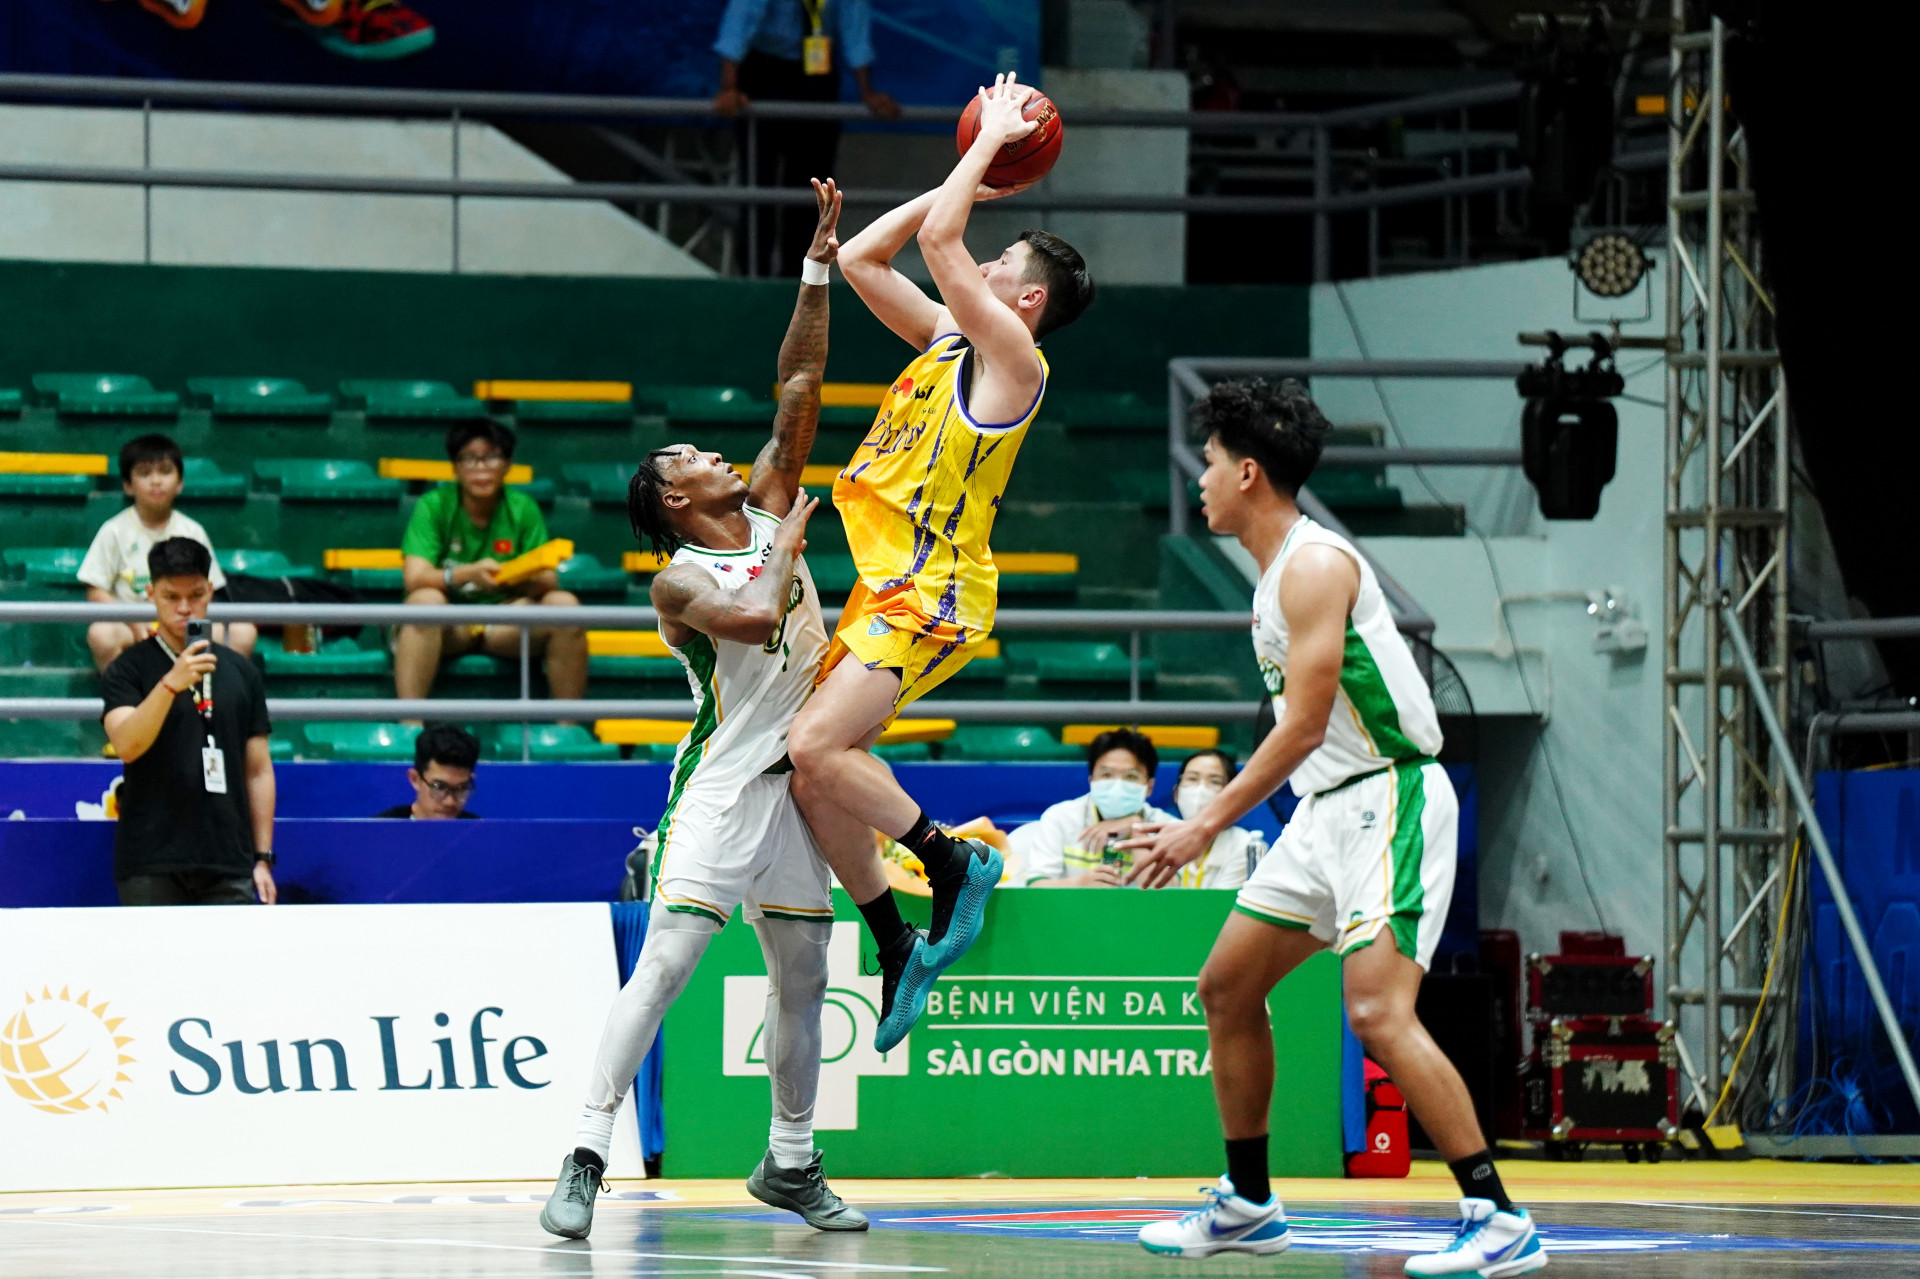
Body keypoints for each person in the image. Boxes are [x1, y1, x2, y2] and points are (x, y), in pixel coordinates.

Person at [1123, 380, 1543, 1275]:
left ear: (1248, 471)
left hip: (1388, 798)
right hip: (1325, 811)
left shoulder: (1315, 566)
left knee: (1378, 1012)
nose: (1198, 481)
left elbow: (1305, 724)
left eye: (1207, 465)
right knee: (1228, 986)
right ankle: (1247, 1201)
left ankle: (1496, 1213)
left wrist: (1205, 826)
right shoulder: (1274, 574)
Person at [540, 180, 862, 1241]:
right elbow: (760, 608)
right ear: (678, 500)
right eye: (694, 460)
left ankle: (791, 1160)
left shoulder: (768, 499)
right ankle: (586, 1150)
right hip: (724, 785)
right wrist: (794, 547)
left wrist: (817, 262)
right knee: (670, 962)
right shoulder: (677, 580)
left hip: (801, 783)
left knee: (806, 978)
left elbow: (801, 379)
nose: (718, 454)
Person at [785, 73, 1095, 1055]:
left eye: (1000, 258)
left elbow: (933, 248)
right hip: (888, 586)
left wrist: (983, 153)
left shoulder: (1016, 363)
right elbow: (871, 254)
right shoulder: (948, 338)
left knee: (812, 751)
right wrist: (974, 181)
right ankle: (893, 937)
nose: (982, 262)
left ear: (1027, 296)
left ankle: (952, 863)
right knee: (812, 780)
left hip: (934, 589)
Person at [100, 538, 277, 907]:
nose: (184, 608)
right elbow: (127, 746)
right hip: (151, 860)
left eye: (195, 595)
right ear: (150, 594)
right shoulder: (127, 669)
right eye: (170, 597)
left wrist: (262, 858)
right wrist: (170, 684)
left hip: (228, 861)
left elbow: (258, 771)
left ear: (210, 590)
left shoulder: (241, 671)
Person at [394, 420, 586, 712]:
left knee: (565, 605)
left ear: (507, 465)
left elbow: (549, 579)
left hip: (505, 621)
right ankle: (409, 724)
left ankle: (566, 731)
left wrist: (507, 580)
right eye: (470, 458)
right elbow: (415, 578)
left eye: (492, 458)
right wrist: (466, 574)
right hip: (452, 623)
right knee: (424, 601)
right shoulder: (433, 506)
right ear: (455, 467)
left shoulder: (523, 508)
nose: (481, 468)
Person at [712, 0, 898, 276]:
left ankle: (802, 279)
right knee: (757, 183)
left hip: (817, 76)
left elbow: (854, 27)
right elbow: (740, 21)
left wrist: (867, 92)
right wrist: (729, 87)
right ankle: (754, 276)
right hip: (765, 75)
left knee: (812, 189)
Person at [79, 433, 256, 671]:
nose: (156, 481)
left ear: (180, 482)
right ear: (128, 485)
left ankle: (216, 701)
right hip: (134, 625)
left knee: (242, 631)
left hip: (185, 619)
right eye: (144, 473)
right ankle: (123, 702)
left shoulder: (192, 530)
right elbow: (95, 590)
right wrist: (133, 621)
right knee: (102, 633)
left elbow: (209, 587)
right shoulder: (114, 530)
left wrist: (186, 619)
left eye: (165, 471)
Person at [1009, 729, 1174, 887]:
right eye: (1106, 775)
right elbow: (1036, 886)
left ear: (1149, 787)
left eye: (1130, 776)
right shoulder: (1061, 818)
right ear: (1091, 781)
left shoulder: (1167, 827)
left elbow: (1168, 897)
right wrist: (1080, 884)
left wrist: (1137, 829)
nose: (1117, 785)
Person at [1161, 749, 1268, 890]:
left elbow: (1219, 906)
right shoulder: (1161, 837)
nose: (1200, 789)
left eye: (1215, 781)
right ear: (1176, 793)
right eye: (1192, 779)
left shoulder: (1244, 846)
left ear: (1231, 795)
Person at [375, 723, 480, 819]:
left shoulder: (479, 832)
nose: (450, 802)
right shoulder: (379, 831)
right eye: (439, 787)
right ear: (415, 779)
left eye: (461, 788)